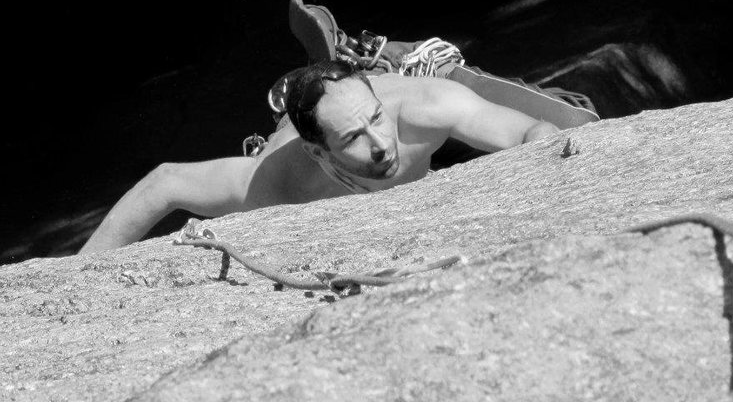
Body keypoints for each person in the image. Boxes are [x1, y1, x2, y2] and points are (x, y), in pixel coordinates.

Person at [79, 60, 560, 253]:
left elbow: (533, 132)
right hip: (292, 144)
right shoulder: (276, 183)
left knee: (446, 91)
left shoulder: (427, 107)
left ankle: (389, 59)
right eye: (353, 137)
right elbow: (164, 184)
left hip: (404, 86)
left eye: (376, 119)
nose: (379, 144)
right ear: (318, 153)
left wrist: (556, 161)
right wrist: (79, 278)